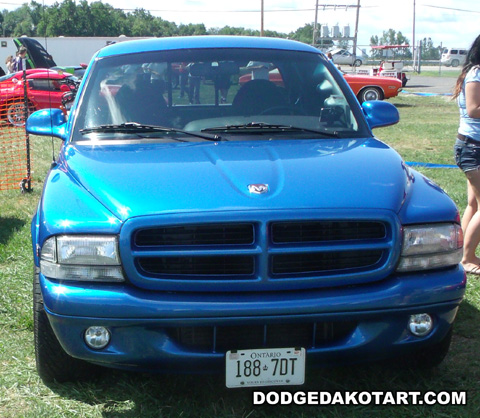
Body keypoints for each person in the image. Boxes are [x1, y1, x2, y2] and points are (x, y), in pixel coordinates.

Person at [453, 34, 480, 275]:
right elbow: (473, 110)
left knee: (474, 203)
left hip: (474, 147)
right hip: (472, 148)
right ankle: (467, 258)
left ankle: (459, 252)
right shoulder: (476, 73)